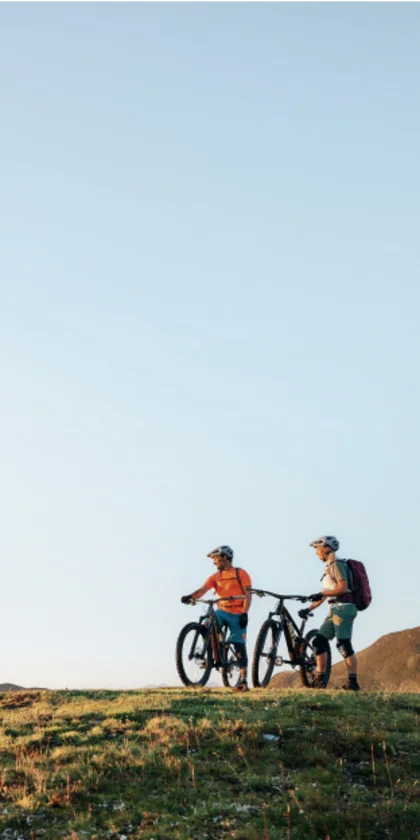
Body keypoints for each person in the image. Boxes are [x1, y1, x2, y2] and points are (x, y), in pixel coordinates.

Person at [181, 545, 252, 692]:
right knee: (208, 621)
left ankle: (243, 681)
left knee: (239, 646)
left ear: (224, 557)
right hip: (222, 611)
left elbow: (248, 594)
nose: (214, 562)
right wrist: (190, 596)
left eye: (215, 559)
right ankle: (210, 652)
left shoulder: (240, 573)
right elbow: (203, 590)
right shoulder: (216, 577)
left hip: (238, 613)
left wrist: (245, 613)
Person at [299, 536, 360, 691]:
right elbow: (326, 594)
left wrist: (322, 595)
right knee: (318, 642)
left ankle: (353, 682)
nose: (316, 553)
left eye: (317, 549)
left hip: (344, 608)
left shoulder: (337, 564)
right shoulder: (329, 567)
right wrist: (308, 609)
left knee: (343, 644)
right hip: (334, 609)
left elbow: (343, 588)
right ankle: (320, 678)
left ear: (326, 548)